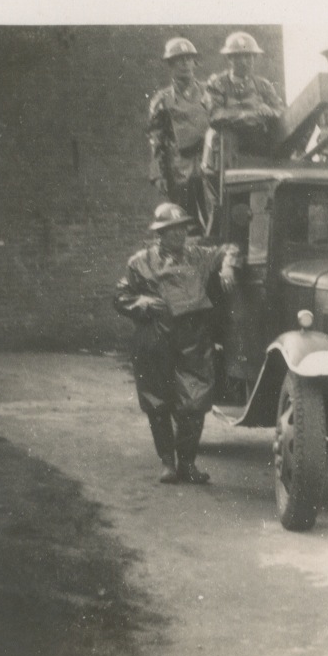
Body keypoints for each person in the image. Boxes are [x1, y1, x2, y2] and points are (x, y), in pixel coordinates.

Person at [113, 203, 241, 485]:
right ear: (160, 233)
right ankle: (167, 463)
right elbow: (121, 296)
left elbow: (229, 247)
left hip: (193, 339)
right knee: (157, 402)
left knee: (194, 404)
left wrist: (228, 267)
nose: (179, 235)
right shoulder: (140, 262)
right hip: (155, 338)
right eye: (172, 230)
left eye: (182, 228)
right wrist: (143, 302)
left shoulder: (199, 255)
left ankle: (188, 463)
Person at [201, 31, 284, 206]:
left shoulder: (263, 85)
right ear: (229, 59)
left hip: (257, 146)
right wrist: (250, 115)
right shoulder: (217, 84)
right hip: (226, 148)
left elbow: (280, 110)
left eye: (249, 56)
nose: (245, 61)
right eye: (239, 57)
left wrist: (269, 111)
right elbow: (215, 115)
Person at [148, 37, 210, 233]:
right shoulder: (163, 99)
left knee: (216, 217)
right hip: (179, 168)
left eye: (189, 59)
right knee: (186, 222)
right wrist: (157, 174)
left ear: (195, 62)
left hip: (209, 162)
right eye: (179, 60)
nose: (185, 64)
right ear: (171, 65)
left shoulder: (210, 93)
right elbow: (156, 139)